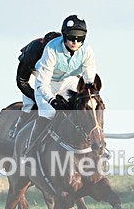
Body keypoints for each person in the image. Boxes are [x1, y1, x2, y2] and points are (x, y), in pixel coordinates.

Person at [25, 14, 97, 155]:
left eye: (80, 37)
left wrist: (88, 89)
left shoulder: (87, 50)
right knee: (49, 113)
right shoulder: (51, 49)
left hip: (68, 80)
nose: (75, 41)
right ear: (64, 35)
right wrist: (53, 101)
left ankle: (94, 144)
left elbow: (89, 74)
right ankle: (31, 150)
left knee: (84, 107)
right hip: (46, 83)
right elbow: (42, 84)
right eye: (71, 37)